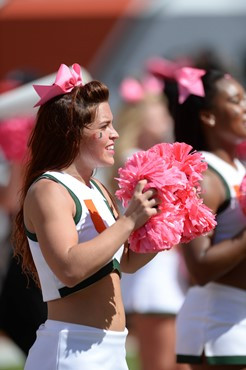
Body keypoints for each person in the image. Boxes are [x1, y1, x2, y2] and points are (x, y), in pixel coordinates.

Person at [13, 63, 161, 370]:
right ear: (72, 133)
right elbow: (69, 267)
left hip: (111, 349)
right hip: (71, 351)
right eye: (103, 127)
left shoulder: (97, 188)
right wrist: (129, 221)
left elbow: (126, 261)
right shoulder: (48, 189)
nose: (115, 134)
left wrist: (166, 227)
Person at [161, 67, 246, 369]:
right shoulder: (203, 177)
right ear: (209, 116)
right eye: (236, 101)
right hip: (219, 325)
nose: (245, 107)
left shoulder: (238, 168)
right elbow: (199, 267)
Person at [109, 75, 190, 370]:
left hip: (160, 273)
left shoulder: (140, 160)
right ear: (141, 118)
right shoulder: (137, 162)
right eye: (159, 110)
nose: (167, 118)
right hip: (155, 277)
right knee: (162, 364)